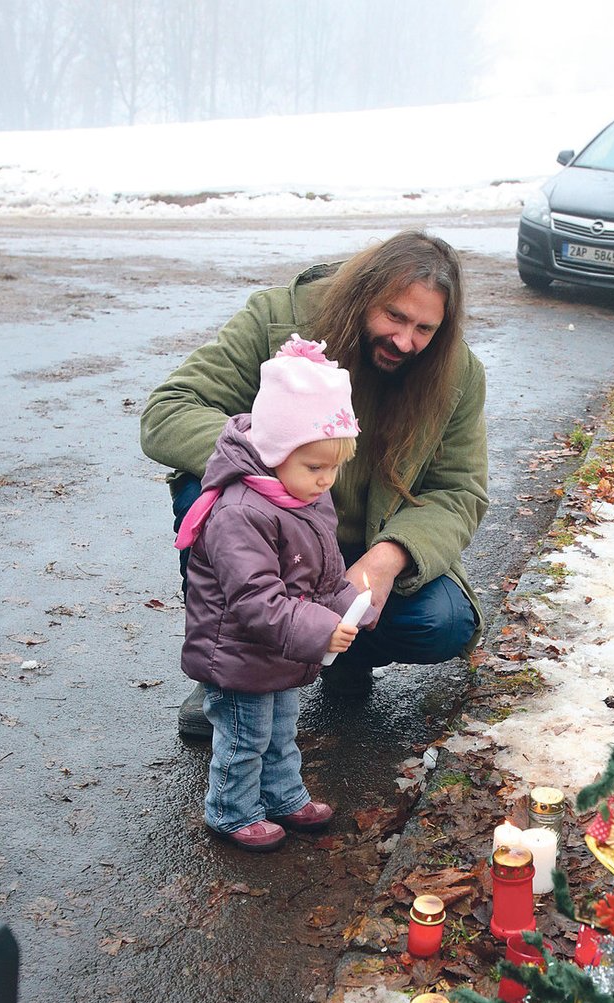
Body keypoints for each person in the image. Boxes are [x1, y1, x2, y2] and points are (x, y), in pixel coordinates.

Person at [140, 231, 489, 740]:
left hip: (364, 544)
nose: (405, 341)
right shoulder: (277, 319)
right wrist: (274, 464)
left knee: (444, 622)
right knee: (208, 495)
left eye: (424, 328)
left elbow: (458, 491)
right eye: (393, 316)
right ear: (359, 295)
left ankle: (334, 653)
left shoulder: (456, 373)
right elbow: (169, 410)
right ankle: (228, 674)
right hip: (272, 532)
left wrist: (389, 557)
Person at [179, 335, 363, 852]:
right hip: (241, 652)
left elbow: (318, 576)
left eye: (335, 468)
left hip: (280, 648)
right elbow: (255, 599)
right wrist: (323, 628)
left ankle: (283, 796)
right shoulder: (243, 512)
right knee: (244, 737)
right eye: (315, 467)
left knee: (282, 728)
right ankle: (231, 810)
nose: (326, 480)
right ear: (276, 450)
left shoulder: (302, 495)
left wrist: (347, 602)